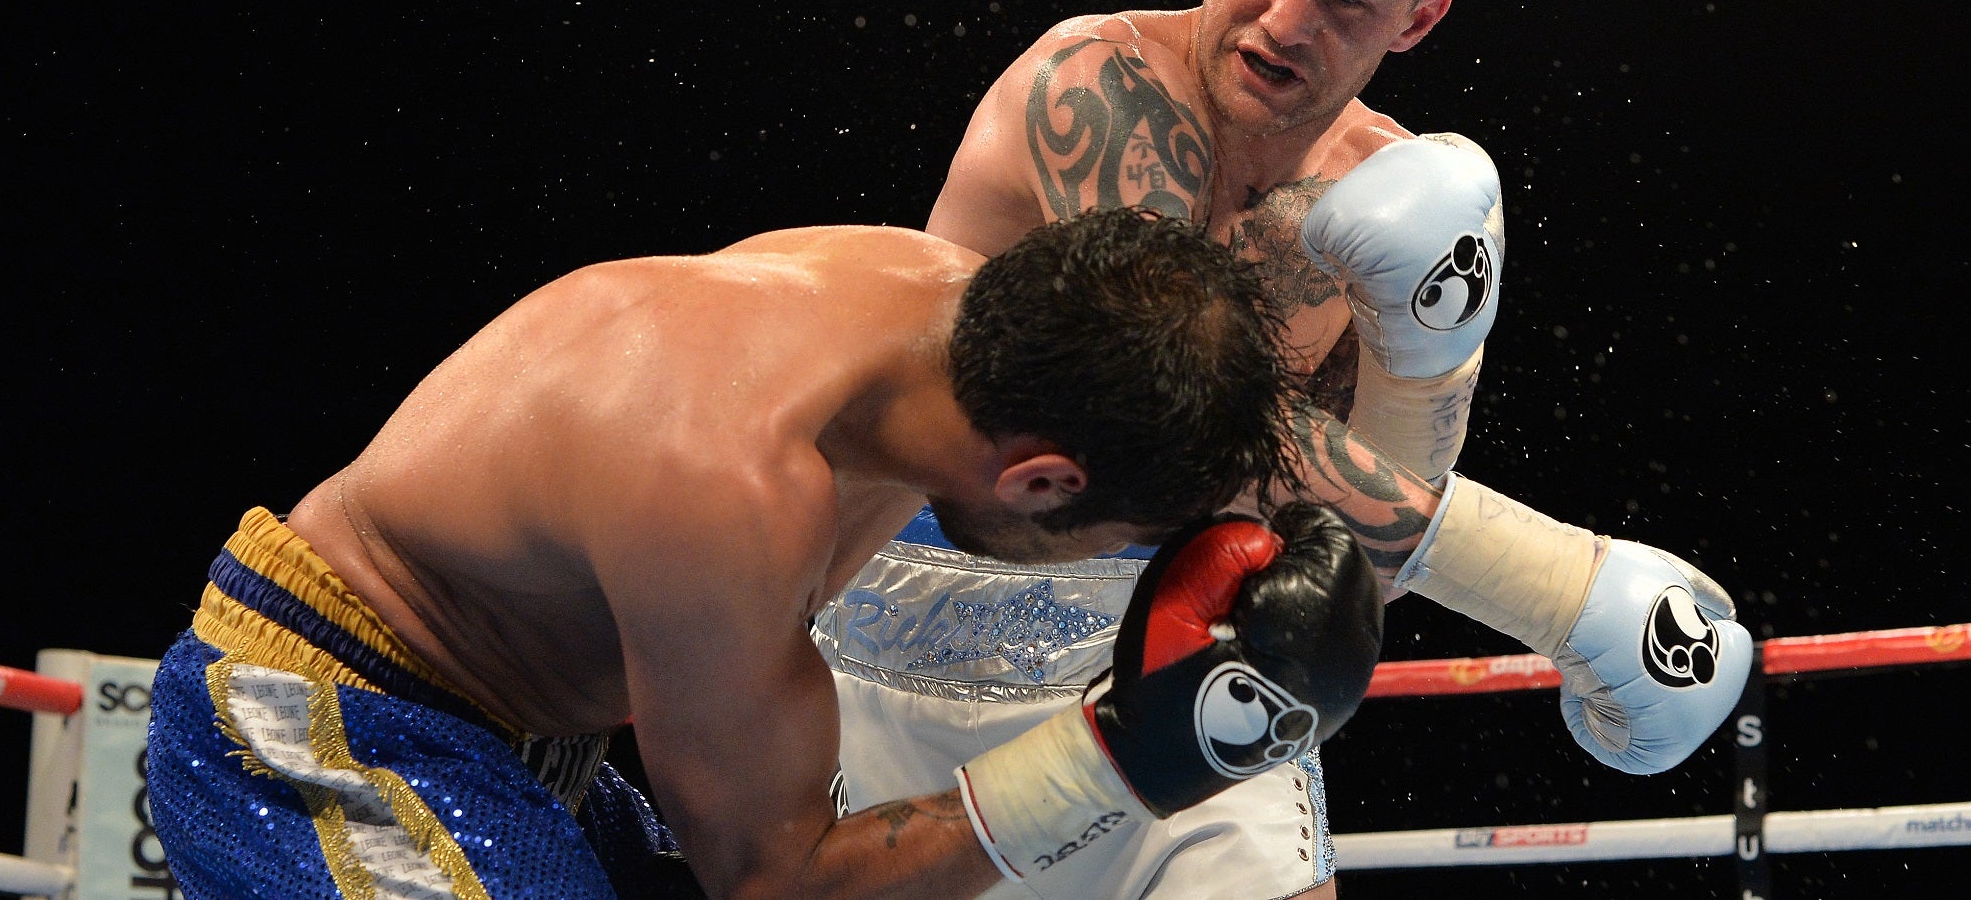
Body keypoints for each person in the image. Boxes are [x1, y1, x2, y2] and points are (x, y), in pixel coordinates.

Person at [815, 0, 1752, 898]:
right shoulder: (1090, 88)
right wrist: (1565, 590)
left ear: (1418, 17)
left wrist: (1416, 360)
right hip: (914, 608)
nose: (1284, 18)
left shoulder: (1402, 205)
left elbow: (1353, 553)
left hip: (1178, 633)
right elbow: (1179, 418)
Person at [143, 210, 1393, 900]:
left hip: (517, 746)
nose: (1088, 566)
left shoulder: (933, 305)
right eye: (1099, 543)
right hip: (320, 726)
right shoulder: (726, 482)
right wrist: (1125, 752)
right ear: (1040, 479)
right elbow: (778, 886)